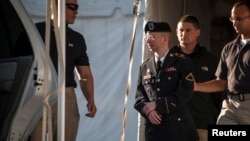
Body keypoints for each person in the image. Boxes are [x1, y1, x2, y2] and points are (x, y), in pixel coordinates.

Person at [29, 0, 97, 140]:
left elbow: (84, 75)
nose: (76, 11)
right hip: (36, 93)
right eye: (72, 7)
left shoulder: (77, 39)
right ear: (56, 6)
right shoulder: (34, 32)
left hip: (65, 95)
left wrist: (90, 99)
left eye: (77, 7)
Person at [134, 21, 199, 141]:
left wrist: (157, 105)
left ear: (165, 38)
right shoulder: (144, 66)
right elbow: (139, 97)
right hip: (153, 131)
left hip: (177, 130)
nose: (148, 40)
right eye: (146, 37)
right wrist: (148, 111)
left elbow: (185, 92)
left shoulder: (182, 62)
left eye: (152, 37)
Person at [195, 0, 250, 125]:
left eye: (239, 19)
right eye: (232, 19)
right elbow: (221, 83)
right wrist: (196, 86)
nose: (234, 23)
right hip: (230, 105)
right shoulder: (228, 48)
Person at [174, 14, 225, 141]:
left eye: (188, 30)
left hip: (202, 126)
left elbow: (220, 94)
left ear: (198, 32)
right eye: (181, 30)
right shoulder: (169, 60)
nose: (184, 33)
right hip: (174, 126)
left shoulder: (211, 61)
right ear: (176, 32)